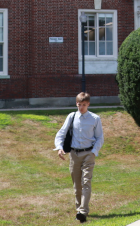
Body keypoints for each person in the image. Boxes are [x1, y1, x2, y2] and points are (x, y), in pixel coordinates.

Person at [54, 92, 104, 223]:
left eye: (84, 105)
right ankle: (79, 210)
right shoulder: (72, 116)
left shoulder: (95, 118)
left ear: (88, 104)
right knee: (77, 185)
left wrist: (94, 152)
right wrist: (60, 148)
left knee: (86, 182)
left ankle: (83, 211)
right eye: (79, 104)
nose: (81, 107)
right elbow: (61, 133)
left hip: (89, 154)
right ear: (76, 103)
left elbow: (100, 137)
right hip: (74, 155)